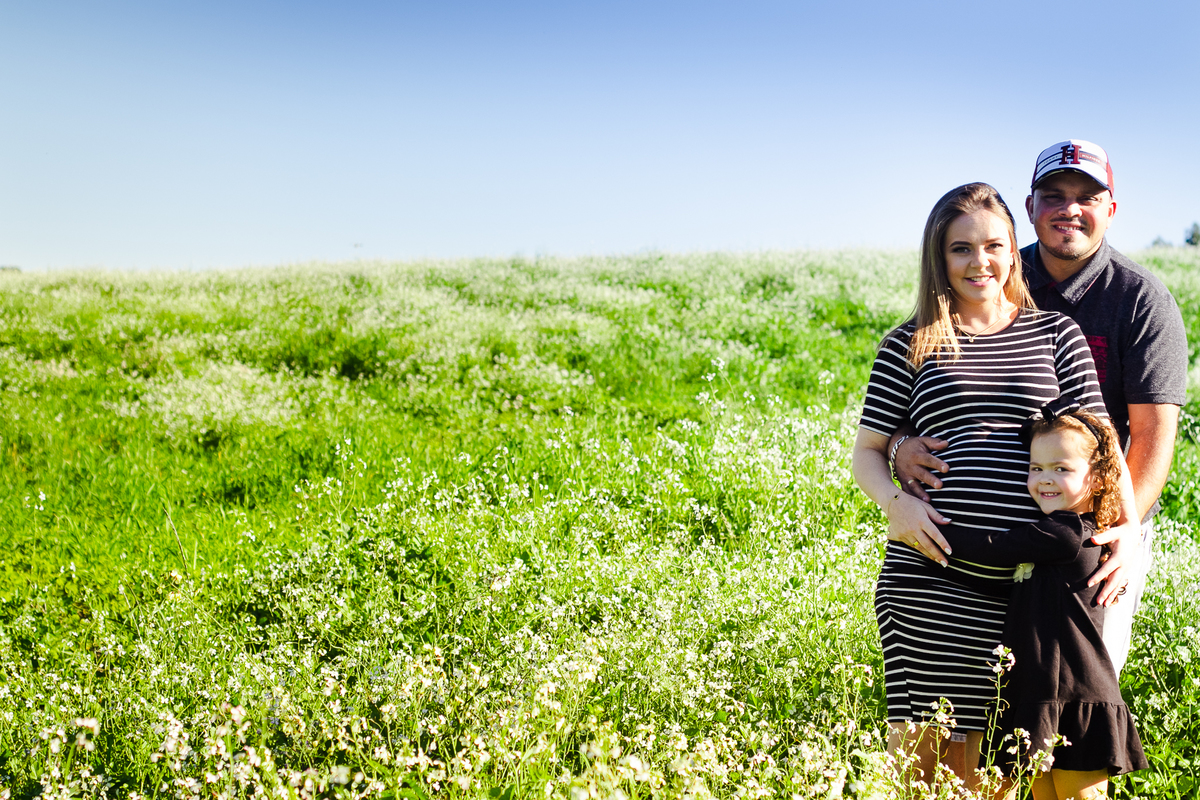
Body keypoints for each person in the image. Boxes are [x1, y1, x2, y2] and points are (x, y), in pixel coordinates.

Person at [851, 181, 1139, 790]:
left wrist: (1128, 533)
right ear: (939, 257)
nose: (978, 262)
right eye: (961, 248)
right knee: (927, 770)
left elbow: (1103, 445)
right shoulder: (909, 342)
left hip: (1028, 591)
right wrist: (896, 504)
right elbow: (868, 453)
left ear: (1013, 250)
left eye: (993, 246)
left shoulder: (1055, 334)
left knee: (1000, 769)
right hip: (929, 578)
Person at [892, 140, 1188, 675]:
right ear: (1029, 208)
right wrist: (898, 445)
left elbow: (1149, 436)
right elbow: (934, 381)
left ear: (1110, 209)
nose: (1069, 209)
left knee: (1079, 681)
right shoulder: (991, 267)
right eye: (1054, 196)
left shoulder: (1141, 299)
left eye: (1087, 197)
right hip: (992, 532)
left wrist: (1115, 529)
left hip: (1096, 529)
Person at [940, 398, 1148, 799]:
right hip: (1040, 691)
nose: (1044, 479)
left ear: (1099, 479)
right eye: (1036, 468)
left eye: (1061, 469)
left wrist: (925, 527)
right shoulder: (1054, 529)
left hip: (1073, 692)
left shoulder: (1068, 534)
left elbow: (992, 546)